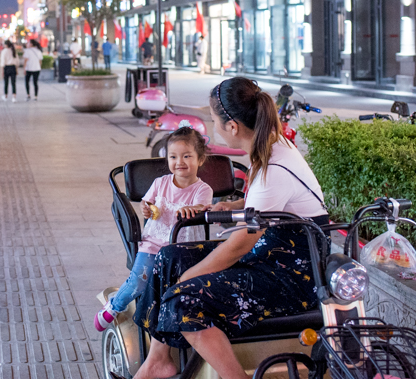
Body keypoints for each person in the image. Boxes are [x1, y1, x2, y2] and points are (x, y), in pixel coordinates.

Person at [131, 77, 328, 379]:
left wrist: (189, 278)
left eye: (212, 119)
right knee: (170, 257)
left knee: (184, 297)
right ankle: (159, 361)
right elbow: (271, 204)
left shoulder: (271, 167)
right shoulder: (272, 146)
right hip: (275, 250)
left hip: (295, 272)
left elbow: (240, 245)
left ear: (232, 126)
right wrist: (234, 206)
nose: (212, 125)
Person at [94, 126, 214, 333]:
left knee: (187, 287)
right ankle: (115, 304)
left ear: (200, 159)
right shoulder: (161, 183)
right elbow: (146, 203)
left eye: (187, 156)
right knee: (139, 281)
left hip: (184, 247)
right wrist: (146, 209)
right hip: (154, 243)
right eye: (173, 157)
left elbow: (201, 208)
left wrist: (191, 209)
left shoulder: (203, 189)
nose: (180, 162)